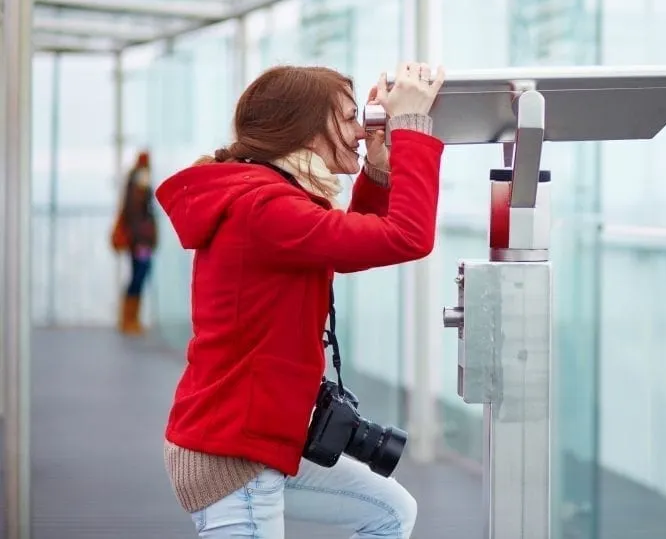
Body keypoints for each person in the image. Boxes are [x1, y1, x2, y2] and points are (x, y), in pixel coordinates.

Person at [155, 62, 445, 539]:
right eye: (351, 117)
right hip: (236, 455)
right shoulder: (264, 208)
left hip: (254, 437)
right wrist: (412, 129)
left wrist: (376, 168)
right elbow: (407, 237)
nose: (362, 129)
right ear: (306, 130)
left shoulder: (268, 196)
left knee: (389, 511)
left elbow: (348, 249)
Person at [112, 150, 158, 335]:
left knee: (138, 275)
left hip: (138, 240)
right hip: (140, 242)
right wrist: (142, 239)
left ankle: (130, 319)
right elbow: (138, 216)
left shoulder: (133, 182)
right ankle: (129, 320)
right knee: (139, 276)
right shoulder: (139, 182)